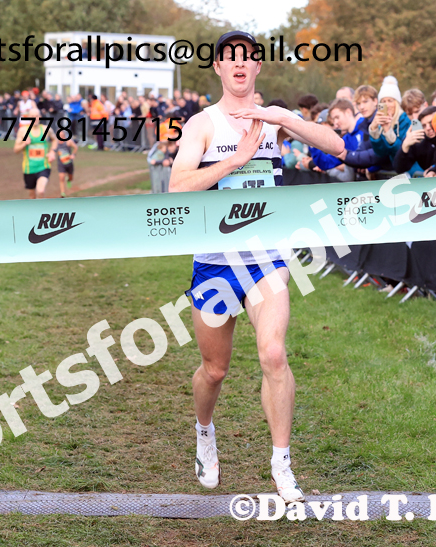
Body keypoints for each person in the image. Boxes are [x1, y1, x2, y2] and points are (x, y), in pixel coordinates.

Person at [168, 30, 343, 504]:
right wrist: (236, 160)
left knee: (272, 353)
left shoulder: (274, 120)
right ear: (220, 69)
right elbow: (178, 188)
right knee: (214, 370)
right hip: (215, 263)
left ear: (257, 68)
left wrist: (284, 118)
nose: (239, 63)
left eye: (247, 56)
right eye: (230, 57)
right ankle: (204, 433)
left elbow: (337, 147)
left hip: (267, 258)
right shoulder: (202, 124)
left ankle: (282, 464)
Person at [368, 76, 410, 171]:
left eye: (390, 101)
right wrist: (374, 130)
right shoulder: (382, 123)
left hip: (410, 170)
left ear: (397, 102)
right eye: (383, 101)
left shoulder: (406, 120)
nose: (387, 105)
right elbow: (381, 153)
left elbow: (402, 151)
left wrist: (389, 133)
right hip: (395, 170)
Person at [14, 108, 57, 198]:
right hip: (29, 168)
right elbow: (16, 150)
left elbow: (55, 140)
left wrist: (52, 151)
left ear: (40, 117)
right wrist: (24, 144)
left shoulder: (46, 129)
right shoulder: (23, 131)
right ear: (29, 117)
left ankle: (41, 211)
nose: (35, 118)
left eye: (37, 116)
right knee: (32, 195)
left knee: (40, 191)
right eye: (32, 116)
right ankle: (35, 210)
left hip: (44, 166)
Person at [393, 105, 436, 176]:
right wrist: (405, 146)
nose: (428, 128)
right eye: (424, 125)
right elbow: (399, 168)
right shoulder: (420, 141)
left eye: (430, 123)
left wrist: (434, 169)